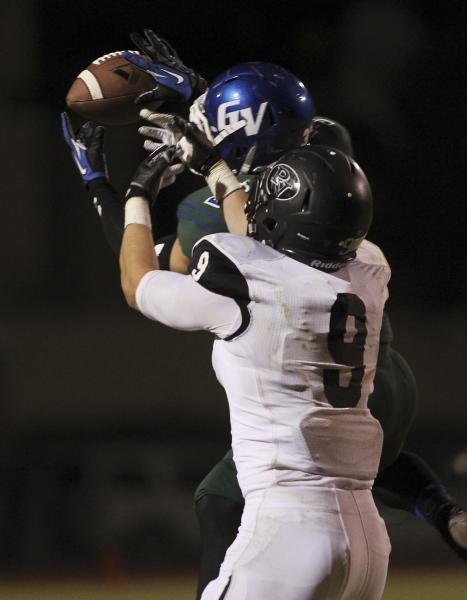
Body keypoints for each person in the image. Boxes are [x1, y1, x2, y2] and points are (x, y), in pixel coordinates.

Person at [61, 30, 467, 593]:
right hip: (377, 419)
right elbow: (272, 203)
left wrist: (113, 187)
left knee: (217, 499)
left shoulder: (241, 264)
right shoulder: (364, 247)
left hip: (290, 523)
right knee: (357, 456)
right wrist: (214, 126)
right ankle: (440, 507)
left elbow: (147, 276)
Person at [119, 134, 391, 598]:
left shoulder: (246, 279)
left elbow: (138, 283)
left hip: (289, 529)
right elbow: (275, 250)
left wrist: (137, 197)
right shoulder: (369, 271)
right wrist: (217, 169)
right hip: (368, 542)